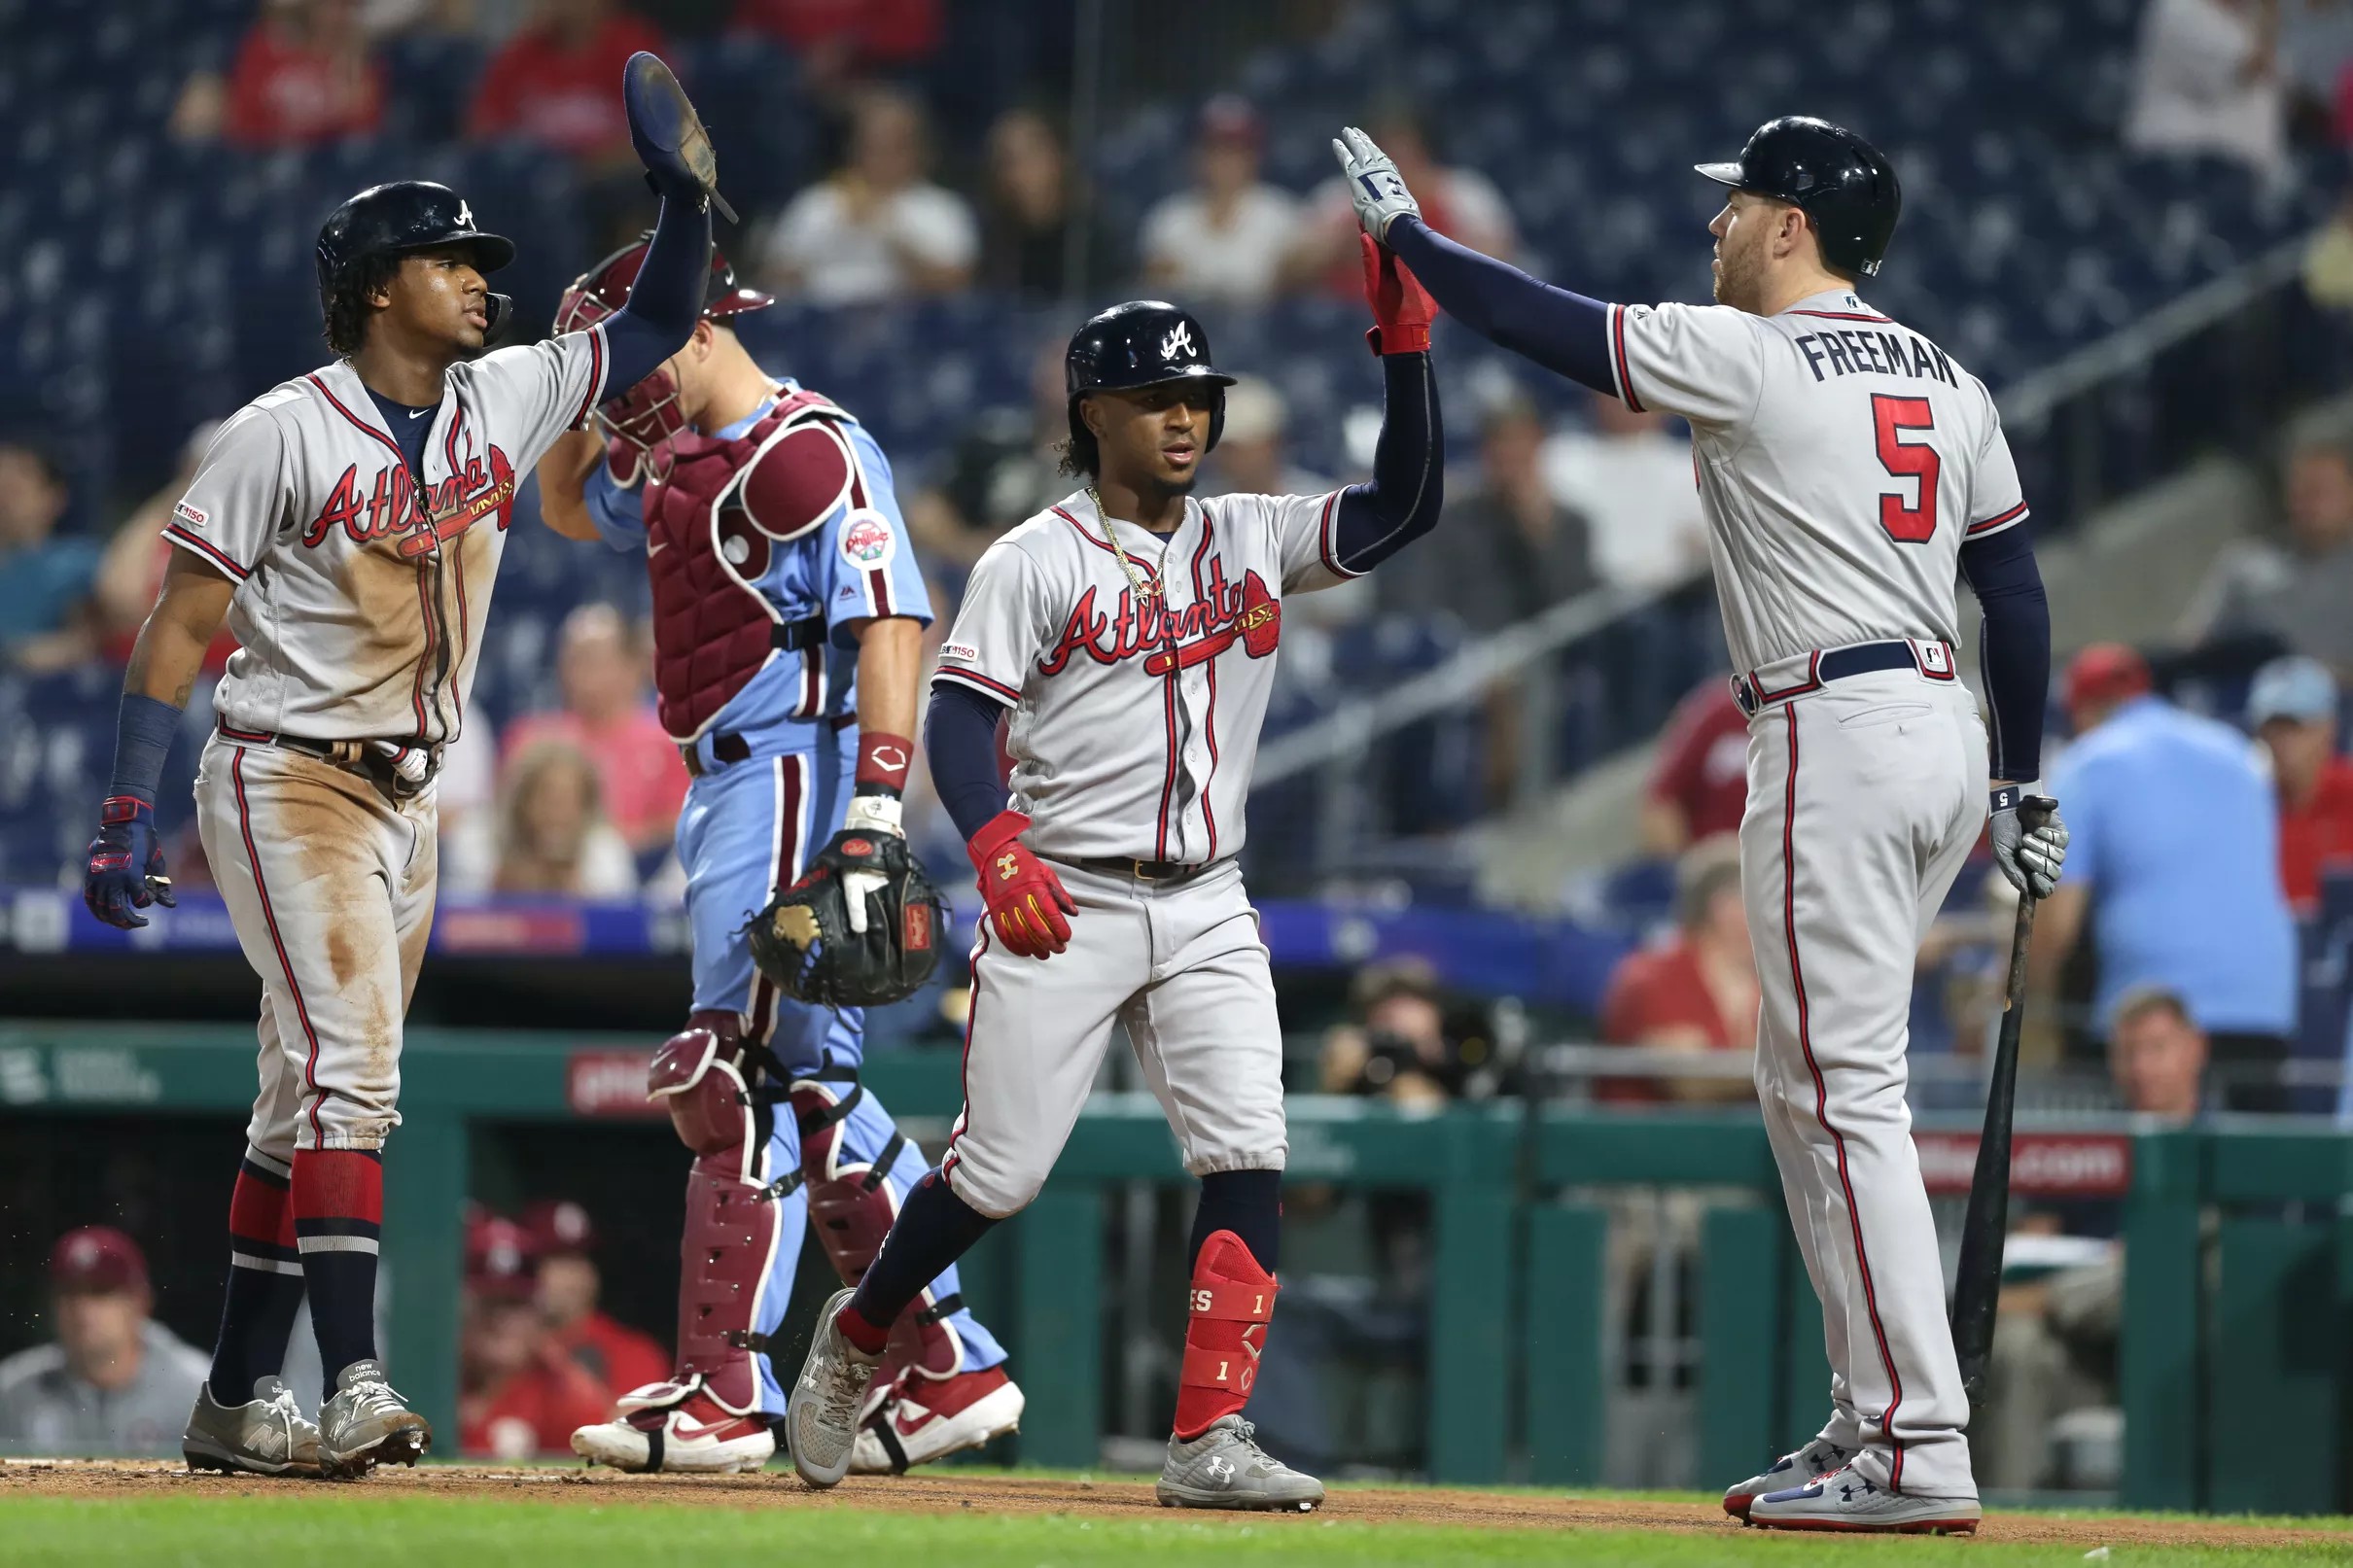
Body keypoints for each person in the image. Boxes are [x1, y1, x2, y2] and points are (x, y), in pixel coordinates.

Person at [1334, 115, 2065, 1532]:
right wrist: (2023, 778)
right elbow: (2017, 591)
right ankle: (1875, 1418)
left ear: (1793, 224)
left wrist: (1413, 243)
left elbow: (1555, 331)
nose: (1716, 225)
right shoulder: (1950, 374)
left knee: (1842, 1093)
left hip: (1835, 726)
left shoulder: (1757, 351)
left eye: (1736, 207)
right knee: (1817, 1090)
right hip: (1938, 729)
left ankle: (1917, 1438)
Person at [77, 61, 721, 1481]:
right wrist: (126, 804)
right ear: (378, 285)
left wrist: (682, 202)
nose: (484, 281)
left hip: (416, 796)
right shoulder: (281, 429)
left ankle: (241, 1396)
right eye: (451, 260)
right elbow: (181, 621)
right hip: (286, 774)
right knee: (354, 1074)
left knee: (298, 1100)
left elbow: (664, 321)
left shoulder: (504, 395)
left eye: (482, 262)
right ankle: (355, 1376)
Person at [786, 261, 1445, 1508]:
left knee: (1249, 1148)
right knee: (1000, 1172)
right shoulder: (1033, 558)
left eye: (1199, 393)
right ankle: (862, 1335)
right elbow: (962, 720)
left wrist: (1403, 341)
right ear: (1093, 414)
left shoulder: (1249, 530)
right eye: (1156, 397)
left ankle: (1207, 1440)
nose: (1187, 416)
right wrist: (992, 847)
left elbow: (1405, 503)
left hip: (1205, 894)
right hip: (1067, 889)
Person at [538, 235, 1022, 1476]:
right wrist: (577, 389)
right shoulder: (673, 454)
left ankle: (722, 1393)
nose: (624, 387)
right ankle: (948, 1361)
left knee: (727, 1071)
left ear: (701, 331)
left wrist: (872, 806)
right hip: (726, 775)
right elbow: (559, 503)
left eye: (639, 356)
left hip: (795, 765)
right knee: (813, 1097)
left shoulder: (808, 444)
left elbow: (894, 620)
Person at [2035, 644, 2297, 1111]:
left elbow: (2056, 926)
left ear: (2085, 711)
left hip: (2150, 1025)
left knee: (2133, 1174)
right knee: (2251, 1174)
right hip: (2264, 1008)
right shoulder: (2240, 752)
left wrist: (2017, 1002)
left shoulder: (2087, 761)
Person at [1978, 985, 2207, 1490]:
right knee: (2016, 1344)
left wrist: (2040, 1296)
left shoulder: (2221, 1147)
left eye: (2156, 1049)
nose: (2142, 1068)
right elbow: (2028, 1247)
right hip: (2086, 1355)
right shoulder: (2089, 1152)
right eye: (2128, 1053)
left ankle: (2052, 1300)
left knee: (2155, 1266)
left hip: (2186, 1348)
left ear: (2195, 1050)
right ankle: (2008, 1523)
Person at [0, 1229, 212, 1460]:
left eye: (100, 1292)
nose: (83, 1309)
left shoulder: (197, 1390)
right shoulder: (13, 1391)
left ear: (140, 1302)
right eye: (70, 1292)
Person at [756, 86, 976, 306]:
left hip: (911, 321)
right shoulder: (818, 202)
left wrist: (887, 229)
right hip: (821, 320)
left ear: (919, 151)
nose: (881, 158)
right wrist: (829, 229)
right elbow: (774, 279)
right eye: (871, 146)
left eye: (894, 147)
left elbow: (956, 284)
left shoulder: (942, 208)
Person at [501, 603, 686, 858]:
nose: (579, 672)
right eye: (571, 658)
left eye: (592, 658)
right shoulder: (530, 739)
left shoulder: (672, 742)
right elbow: (503, 821)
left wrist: (603, 848)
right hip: (537, 877)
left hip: (642, 881)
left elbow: (680, 824)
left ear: (632, 667)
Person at [1284, 110, 1515, 298]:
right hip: (1350, 316)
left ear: (1424, 151)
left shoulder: (1462, 191)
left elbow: (1501, 263)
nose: (1393, 162)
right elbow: (1294, 269)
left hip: (1443, 314)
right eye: (1382, 151)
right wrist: (1340, 243)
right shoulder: (1339, 196)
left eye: (1403, 152)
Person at [1598, 835, 1758, 1104]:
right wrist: (1788, 1065)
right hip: (1648, 1141)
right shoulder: (1651, 976)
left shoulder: (1772, 982)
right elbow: (1691, 1082)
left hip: (1746, 1141)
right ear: (1724, 909)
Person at [2183, 435, 2353, 673]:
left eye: (2321, 492)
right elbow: (2193, 645)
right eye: (2300, 492)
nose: (2309, 504)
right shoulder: (2244, 567)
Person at [456, 1212, 613, 1459]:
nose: (501, 1321)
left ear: (538, 1314)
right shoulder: (416, 1381)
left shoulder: (567, 1393)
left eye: (516, 1304)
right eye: (489, 1303)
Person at [1139, 97, 1302, 310]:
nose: (1226, 160)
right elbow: (1159, 296)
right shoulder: (1169, 218)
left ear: (1255, 156)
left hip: (1262, 336)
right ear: (1197, 155)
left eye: (1237, 150)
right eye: (1216, 149)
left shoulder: (1282, 214)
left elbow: (1294, 296)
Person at [1544, 389, 1711, 593]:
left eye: (1638, 392)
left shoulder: (1688, 466)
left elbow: (1706, 549)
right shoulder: (1562, 457)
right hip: (1586, 598)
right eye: (1611, 392)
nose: (1623, 403)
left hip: (1669, 599)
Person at [466, 0, 668, 163]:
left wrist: (589, 167)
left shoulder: (634, 51)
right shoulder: (521, 52)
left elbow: (660, 137)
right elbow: (483, 127)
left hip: (600, 178)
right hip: (526, 174)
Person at [173, 0, 386, 149]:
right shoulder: (268, 47)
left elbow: (362, 133)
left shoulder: (361, 67)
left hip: (323, 169)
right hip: (258, 155)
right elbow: (245, 112)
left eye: (345, 7)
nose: (335, 16)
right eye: (327, 5)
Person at [2122, 0, 2288, 189]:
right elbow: (2248, 68)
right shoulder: (2179, 8)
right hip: (2182, 167)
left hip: (2244, 178)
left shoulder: (2250, 20)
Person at [518, 1200, 668, 1399]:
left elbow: (630, 1424)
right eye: (553, 1260)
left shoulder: (632, 1354)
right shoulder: (497, 1350)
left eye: (579, 1260)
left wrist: (565, 1373)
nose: (571, 1277)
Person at [977, 107, 1125, 300]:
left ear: (1058, 159)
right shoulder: (993, 237)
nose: (1018, 173)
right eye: (1006, 162)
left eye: (1029, 157)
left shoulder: (1096, 233)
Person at [2247, 653, 2353, 913]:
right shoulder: (2245, 808)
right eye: (2272, 728)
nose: (2282, 742)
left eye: (2295, 727)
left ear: (2328, 728)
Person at [489, 736, 639, 896]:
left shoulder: (604, 848)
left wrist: (579, 890)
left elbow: (618, 913)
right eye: (546, 799)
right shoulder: (488, 842)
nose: (555, 813)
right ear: (523, 803)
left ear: (587, 807)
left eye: (567, 801)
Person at [0, 438, 101, 673]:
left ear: (54, 497)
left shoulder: (80, 562)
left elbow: (94, 635)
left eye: (15, 489)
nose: (4, 499)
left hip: (49, 695)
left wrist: (71, 646)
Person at [1640, 678, 1751, 858]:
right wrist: (1680, 867)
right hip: (1718, 867)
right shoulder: (1717, 711)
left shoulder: (1806, 716)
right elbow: (1660, 802)